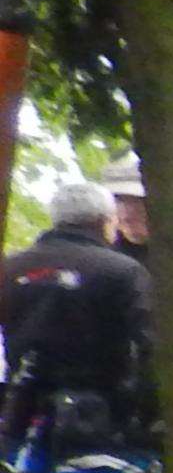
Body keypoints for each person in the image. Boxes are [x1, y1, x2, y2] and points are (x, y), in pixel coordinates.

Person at [1, 177, 156, 454]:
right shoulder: (123, 271)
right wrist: (143, 409)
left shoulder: (10, 268)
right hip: (99, 413)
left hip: (21, 407)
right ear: (105, 220)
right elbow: (150, 342)